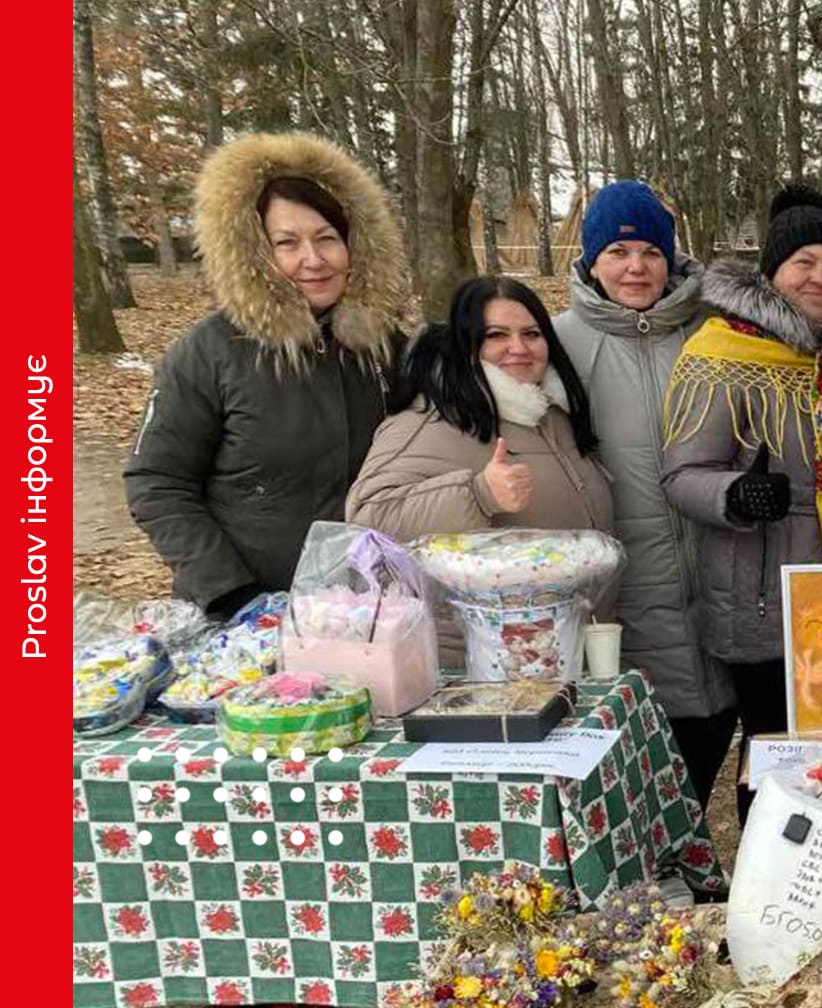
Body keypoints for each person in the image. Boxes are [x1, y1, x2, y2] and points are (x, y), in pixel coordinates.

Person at [661, 183, 822, 820]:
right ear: (772, 274)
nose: (821, 278)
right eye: (803, 264)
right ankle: (764, 884)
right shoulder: (722, 354)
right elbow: (680, 475)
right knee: (773, 750)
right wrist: (736, 493)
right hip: (764, 594)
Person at [126, 132, 409, 618]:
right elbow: (158, 483)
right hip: (244, 614)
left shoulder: (386, 350)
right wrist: (232, 594)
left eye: (327, 239)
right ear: (255, 254)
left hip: (366, 612)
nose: (313, 260)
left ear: (355, 246)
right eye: (287, 243)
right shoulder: (210, 352)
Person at [549, 181, 724, 794]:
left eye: (650, 252)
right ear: (592, 261)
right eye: (618, 253)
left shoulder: (711, 331)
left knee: (706, 750)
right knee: (636, 770)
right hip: (624, 591)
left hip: (714, 575)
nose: (635, 267)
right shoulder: (556, 343)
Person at [346, 277, 614, 667]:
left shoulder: (552, 414)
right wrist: (478, 495)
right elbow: (368, 513)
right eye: (496, 335)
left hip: (560, 652)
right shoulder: (431, 418)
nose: (518, 348)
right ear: (467, 343)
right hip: (482, 666)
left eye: (531, 333)